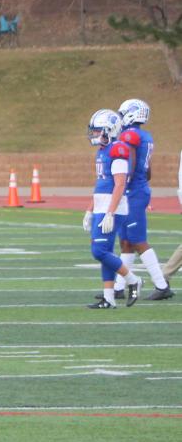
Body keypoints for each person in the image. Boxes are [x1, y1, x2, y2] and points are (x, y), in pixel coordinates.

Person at [116, 98, 171, 300]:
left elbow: (129, 165)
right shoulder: (145, 135)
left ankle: (162, 285)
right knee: (126, 242)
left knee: (138, 240)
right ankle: (119, 287)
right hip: (138, 188)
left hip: (132, 191)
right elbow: (147, 170)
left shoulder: (129, 134)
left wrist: (122, 184)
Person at [83, 109, 138, 308]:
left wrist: (109, 212)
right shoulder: (103, 150)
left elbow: (120, 185)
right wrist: (90, 209)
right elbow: (101, 183)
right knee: (103, 250)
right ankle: (108, 298)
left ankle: (133, 280)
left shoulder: (118, 149)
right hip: (102, 206)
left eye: (97, 131)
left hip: (112, 209)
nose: (94, 134)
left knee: (99, 251)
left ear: (109, 130)